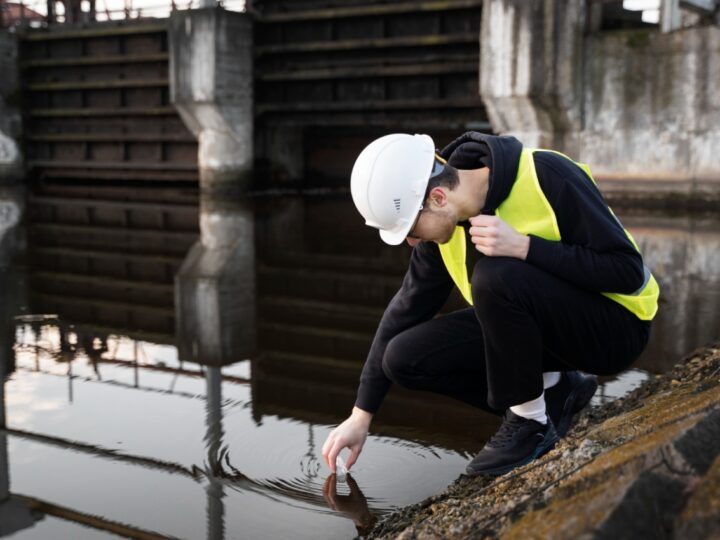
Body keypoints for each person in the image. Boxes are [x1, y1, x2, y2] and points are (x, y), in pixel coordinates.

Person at [321, 132, 658, 477]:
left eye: (410, 228)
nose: (411, 241)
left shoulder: (547, 174)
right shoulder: (444, 228)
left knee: (494, 276)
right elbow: (405, 309)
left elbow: (627, 271)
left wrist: (527, 248)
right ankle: (556, 392)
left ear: (437, 197)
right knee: (404, 358)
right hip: (553, 337)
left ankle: (530, 427)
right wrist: (361, 414)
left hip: (616, 329)